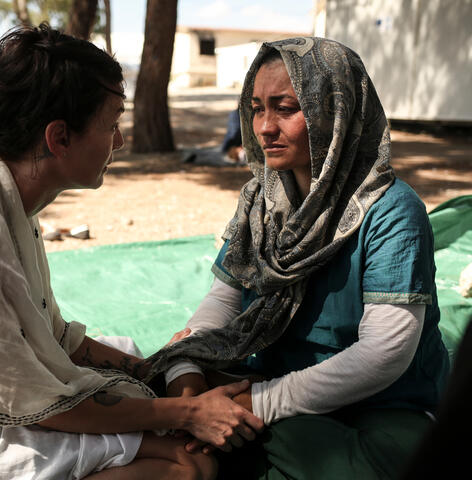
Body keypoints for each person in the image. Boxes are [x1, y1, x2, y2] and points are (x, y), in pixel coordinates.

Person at [0, 24, 264, 479]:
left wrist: (158, 370)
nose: (118, 142)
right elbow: (28, 399)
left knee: (155, 391)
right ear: (58, 138)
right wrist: (185, 413)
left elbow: (52, 338)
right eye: (112, 123)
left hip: (4, 400)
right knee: (186, 463)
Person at [145, 37, 450, 479]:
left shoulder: (391, 210)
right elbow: (224, 301)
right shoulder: (260, 201)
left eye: (285, 108)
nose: (265, 126)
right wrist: (189, 383)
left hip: (379, 403)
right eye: (256, 108)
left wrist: (259, 404)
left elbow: (385, 353)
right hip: (269, 379)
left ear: (337, 111)